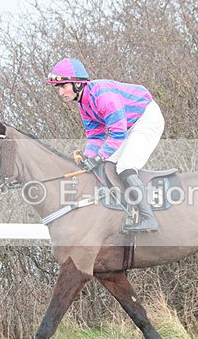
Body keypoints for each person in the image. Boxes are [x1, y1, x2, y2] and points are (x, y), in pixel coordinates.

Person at [46, 57, 165, 232]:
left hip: (146, 118)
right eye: (58, 88)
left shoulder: (103, 96)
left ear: (78, 84)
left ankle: (149, 218)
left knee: (125, 166)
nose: (60, 92)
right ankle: (126, 210)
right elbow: (95, 136)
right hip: (129, 125)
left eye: (64, 86)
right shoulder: (84, 104)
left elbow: (118, 133)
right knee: (108, 165)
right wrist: (88, 157)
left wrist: (99, 156)